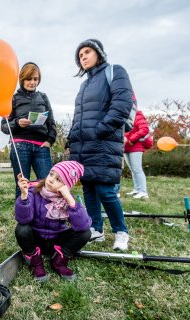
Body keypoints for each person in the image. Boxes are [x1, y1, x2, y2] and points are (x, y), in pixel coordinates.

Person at [67, 39, 133, 251]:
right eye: (80, 55)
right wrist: (71, 138)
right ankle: (96, 228)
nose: (83, 57)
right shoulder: (84, 84)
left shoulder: (115, 72)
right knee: (88, 188)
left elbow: (122, 104)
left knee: (106, 190)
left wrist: (101, 130)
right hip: (82, 145)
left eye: (87, 52)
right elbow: (79, 116)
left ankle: (121, 232)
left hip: (103, 142)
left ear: (99, 53)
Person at [15, 161, 91, 281]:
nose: (50, 180)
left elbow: (82, 226)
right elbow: (23, 219)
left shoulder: (67, 199)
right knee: (22, 229)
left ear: (66, 186)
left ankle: (58, 261)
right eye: (51, 174)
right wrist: (24, 196)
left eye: (58, 180)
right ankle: (36, 262)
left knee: (85, 233)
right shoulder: (34, 191)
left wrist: (70, 199)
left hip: (56, 240)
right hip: (37, 239)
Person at [1, 62, 56, 198]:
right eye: (29, 79)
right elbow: (4, 126)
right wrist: (17, 123)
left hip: (41, 147)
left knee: (48, 186)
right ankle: (23, 219)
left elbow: (52, 123)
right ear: (22, 79)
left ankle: (46, 218)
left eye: (35, 79)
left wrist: (50, 141)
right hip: (20, 146)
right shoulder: (13, 98)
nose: (32, 82)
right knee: (22, 186)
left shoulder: (43, 97)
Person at [124, 110, 150, 199]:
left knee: (137, 169)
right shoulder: (123, 115)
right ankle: (137, 189)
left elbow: (144, 129)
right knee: (132, 169)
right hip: (126, 146)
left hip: (136, 146)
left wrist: (131, 139)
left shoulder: (137, 115)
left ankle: (143, 191)